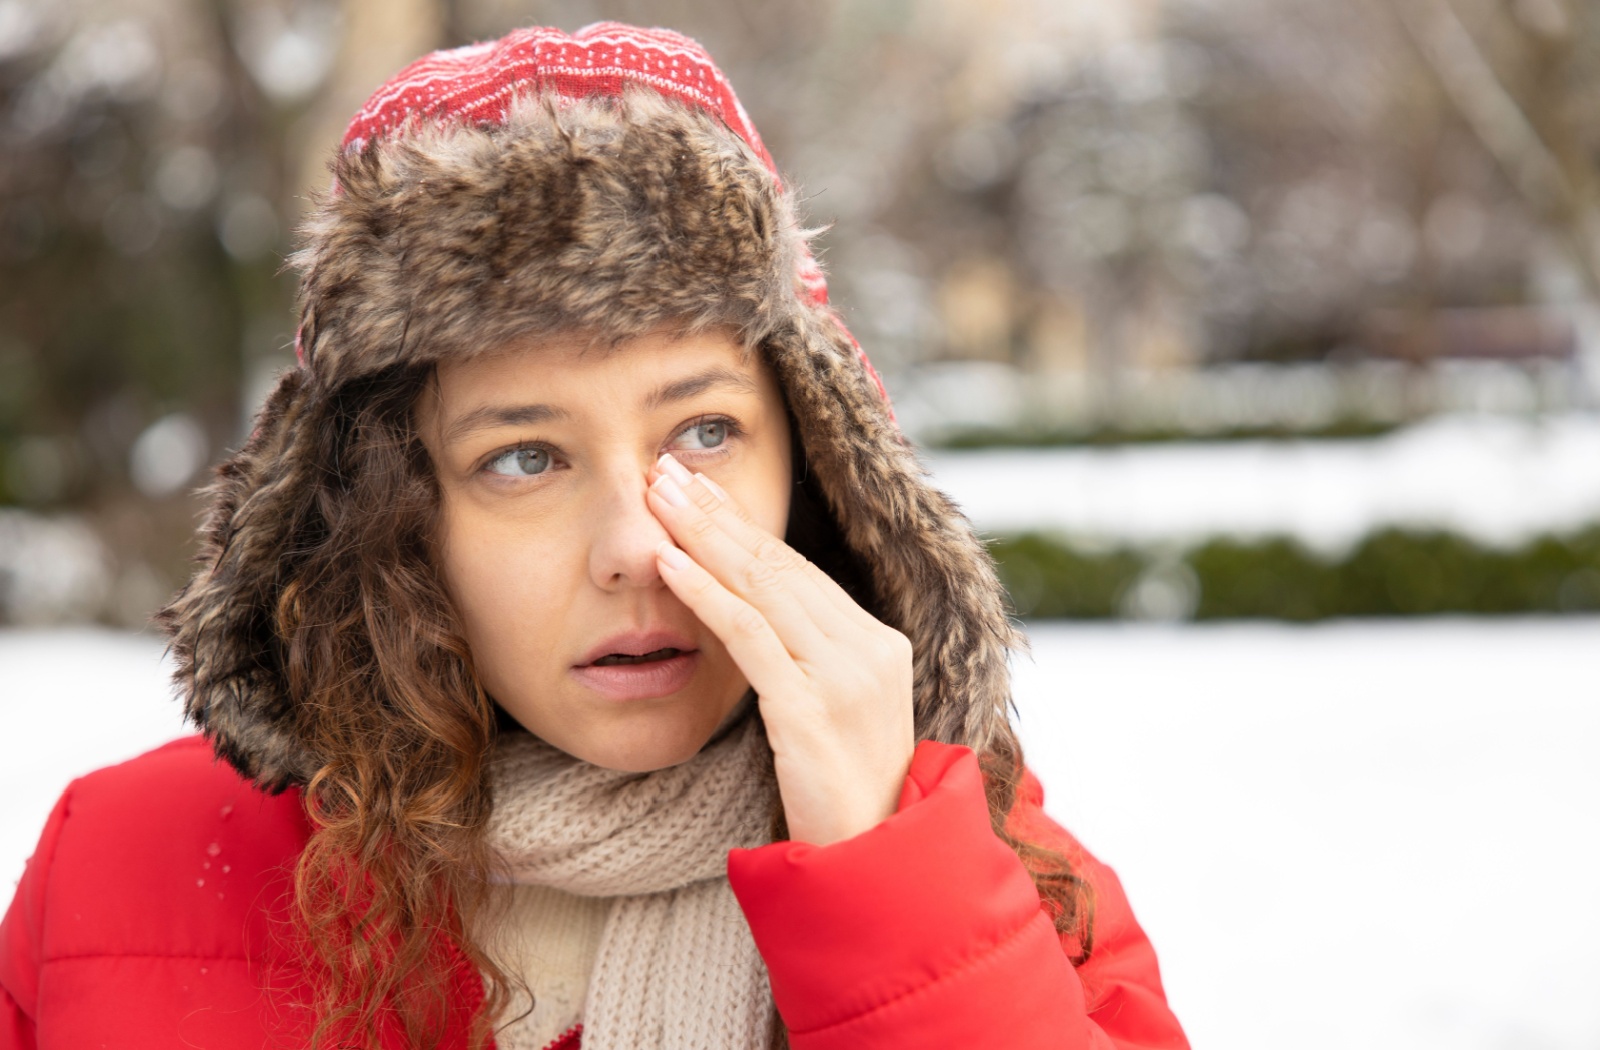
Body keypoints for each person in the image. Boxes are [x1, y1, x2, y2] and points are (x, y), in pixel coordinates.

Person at [0, 22, 1188, 1050]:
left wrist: (888, 876)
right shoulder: (119, 865)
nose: (634, 547)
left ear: (819, 473)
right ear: (391, 519)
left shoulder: (1007, 883)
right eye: (524, 458)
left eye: (706, 433)